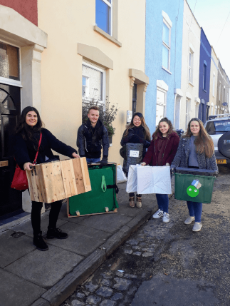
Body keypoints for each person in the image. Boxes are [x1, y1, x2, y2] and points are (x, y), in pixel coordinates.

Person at [13, 106, 80, 251]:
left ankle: (51, 230)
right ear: (24, 117)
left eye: (35, 116)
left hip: (51, 170)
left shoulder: (44, 133)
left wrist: (72, 152)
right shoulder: (19, 135)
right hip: (35, 172)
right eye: (29, 115)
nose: (32, 118)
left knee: (57, 200)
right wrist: (25, 162)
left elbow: (57, 144)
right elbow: (19, 150)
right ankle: (37, 236)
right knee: (37, 205)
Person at [171, 118, 218, 232]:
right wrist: (173, 165)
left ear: (200, 127)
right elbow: (178, 154)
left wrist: (214, 169)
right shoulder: (184, 139)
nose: (194, 128)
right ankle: (191, 215)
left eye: (196, 126)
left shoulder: (206, 139)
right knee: (188, 195)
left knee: (197, 196)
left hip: (200, 172)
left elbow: (211, 156)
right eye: (192, 126)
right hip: (186, 171)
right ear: (189, 127)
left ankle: (198, 221)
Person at [141, 117, 180, 223]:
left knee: (163, 191)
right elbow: (150, 151)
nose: (162, 128)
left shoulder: (174, 137)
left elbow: (175, 152)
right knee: (157, 190)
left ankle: (166, 212)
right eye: (160, 126)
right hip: (155, 167)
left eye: (164, 126)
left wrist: (168, 162)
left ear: (169, 126)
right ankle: (160, 209)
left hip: (166, 168)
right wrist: (145, 161)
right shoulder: (156, 136)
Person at [121, 112, 151, 208]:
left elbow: (149, 144)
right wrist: (128, 138)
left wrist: (141, 140)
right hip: (129, 159)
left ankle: (139, 197)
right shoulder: (128, 130)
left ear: (142, 120)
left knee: (140, 178)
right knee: (130, 178)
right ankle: (131, 198)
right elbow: (122, 143)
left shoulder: (145, 130)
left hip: (141, 158)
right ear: (132, 120)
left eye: (138, 119)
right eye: (135, 119)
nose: (137, 121)